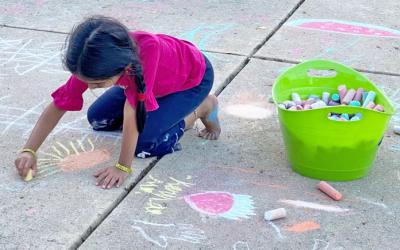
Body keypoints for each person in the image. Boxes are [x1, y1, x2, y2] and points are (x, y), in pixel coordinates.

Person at [14, 16, 221, 189]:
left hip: (191, 81)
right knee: (98, 119)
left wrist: (123, 166)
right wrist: (29, 150)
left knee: (144, 144)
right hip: (153, 82)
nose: (92, 88)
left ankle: (203, 107)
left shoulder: (148, 51)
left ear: (122, 68)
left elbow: (132, 112)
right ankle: (161, 107)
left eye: (98, 83)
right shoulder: (90, 59)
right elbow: (60, 103)